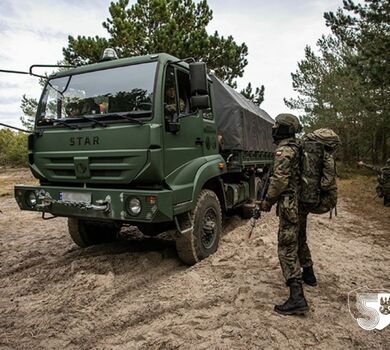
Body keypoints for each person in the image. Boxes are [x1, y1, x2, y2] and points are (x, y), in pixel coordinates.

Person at [258, 113, 310, 315]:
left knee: (286, 247)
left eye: (276, 125)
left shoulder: (285, 150)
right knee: (299, 239)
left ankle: (297, 297)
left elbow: (279, 181)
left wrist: (268, 201)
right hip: (299, 203)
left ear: (285, 129)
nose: (273, 128)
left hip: (290, 205)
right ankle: (310, 276)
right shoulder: (298, 147)